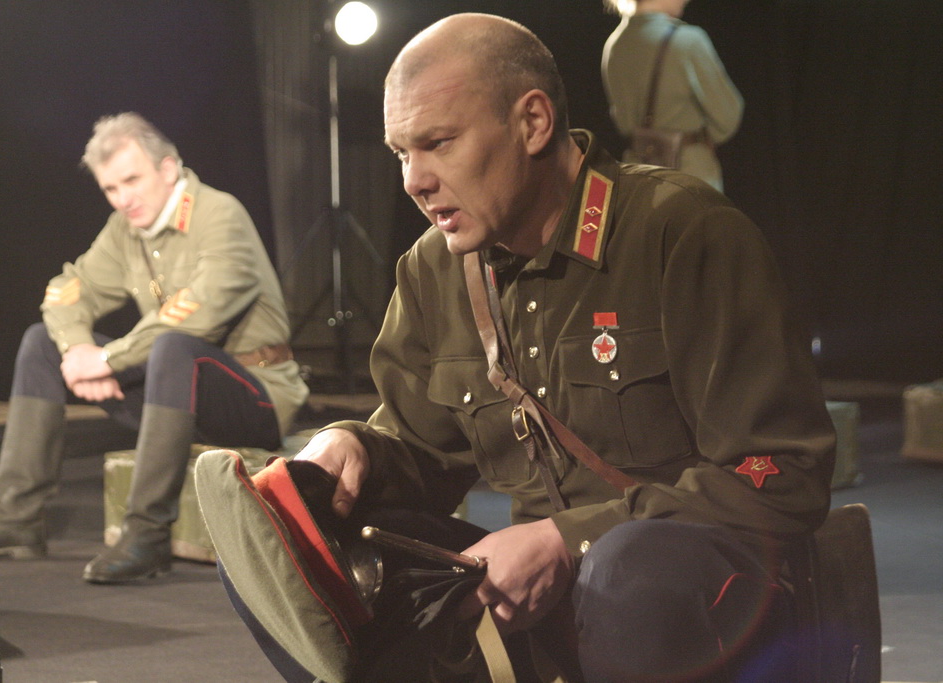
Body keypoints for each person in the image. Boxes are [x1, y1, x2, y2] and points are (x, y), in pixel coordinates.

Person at [222, 13, 835, 681]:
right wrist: (352, 449)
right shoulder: (432, 270)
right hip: (542, 595)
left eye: (438, 143)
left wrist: (568, 541)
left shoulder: (681, 234)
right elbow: (422, 449)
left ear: (534, 123)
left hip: (697, 589)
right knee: (281, 550)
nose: (414, 180)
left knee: (627, 571)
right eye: (402, 153)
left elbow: (781, 474)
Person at [0, 112, 309, 584]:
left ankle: (147, 532)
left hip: (254, 399)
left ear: (168, 169)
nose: (123, 198)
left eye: (132, 181)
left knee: (174, 346)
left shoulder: (219, 213)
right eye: (111, 188)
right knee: (41, 343)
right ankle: (17, 518)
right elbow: (70, 289)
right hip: (174, 391)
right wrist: (76, 351)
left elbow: (201, 313)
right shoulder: (126, 229)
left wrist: (107, 359)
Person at [601, 0, 743, 192]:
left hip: (639, 178)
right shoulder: (687, 40)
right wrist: (700, 140)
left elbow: (623, 123)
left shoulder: (614, 44)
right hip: (691, 176)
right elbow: (728, 116)